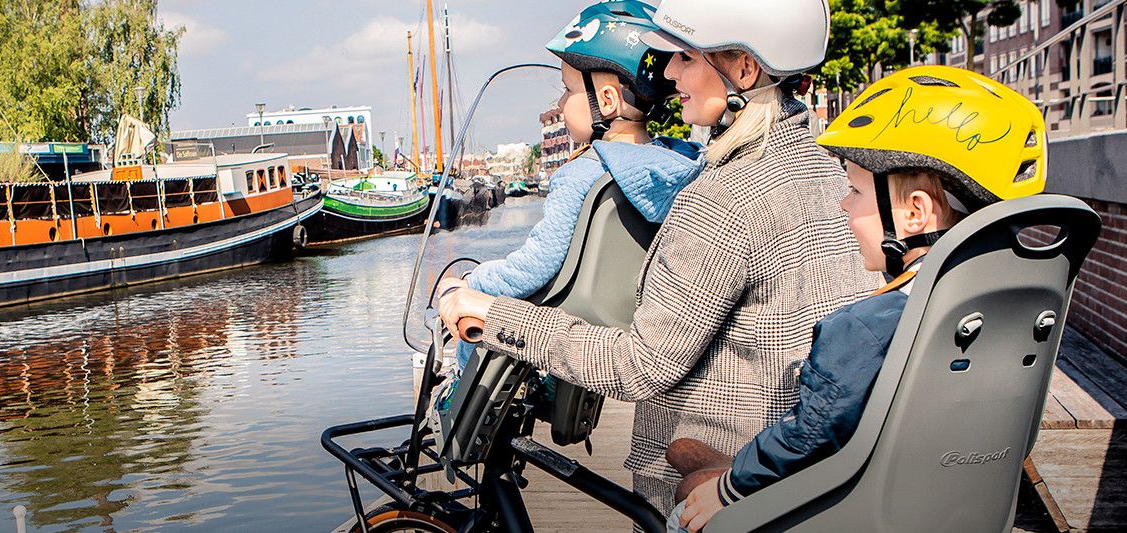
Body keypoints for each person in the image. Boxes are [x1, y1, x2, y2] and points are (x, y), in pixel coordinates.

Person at [436, 0, 870, 514]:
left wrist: (496, 315)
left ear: (745, 69)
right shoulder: (831, 171)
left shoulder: (723, 199)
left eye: (685, 57)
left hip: (715, 489)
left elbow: (643, 364)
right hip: (800, 472)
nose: (668, 72)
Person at [665, 65, 1052, 532]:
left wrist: (729, 490)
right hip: (949, 506)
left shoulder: (866, 327)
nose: (843, 204)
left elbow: (810, 435)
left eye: (855, 190)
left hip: (851, 510)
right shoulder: (1003, 305)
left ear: (914, 213)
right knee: (681, 450)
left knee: (687, 501)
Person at [432, 0, 703, 415]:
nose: (561, 103)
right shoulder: (680, 162)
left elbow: (538, 263)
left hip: (567, 320)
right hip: (629, 314)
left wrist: (474, 280)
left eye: (569, 89)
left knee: (478, 295)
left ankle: (462, 401)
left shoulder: (585, 171)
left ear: (607, 100)